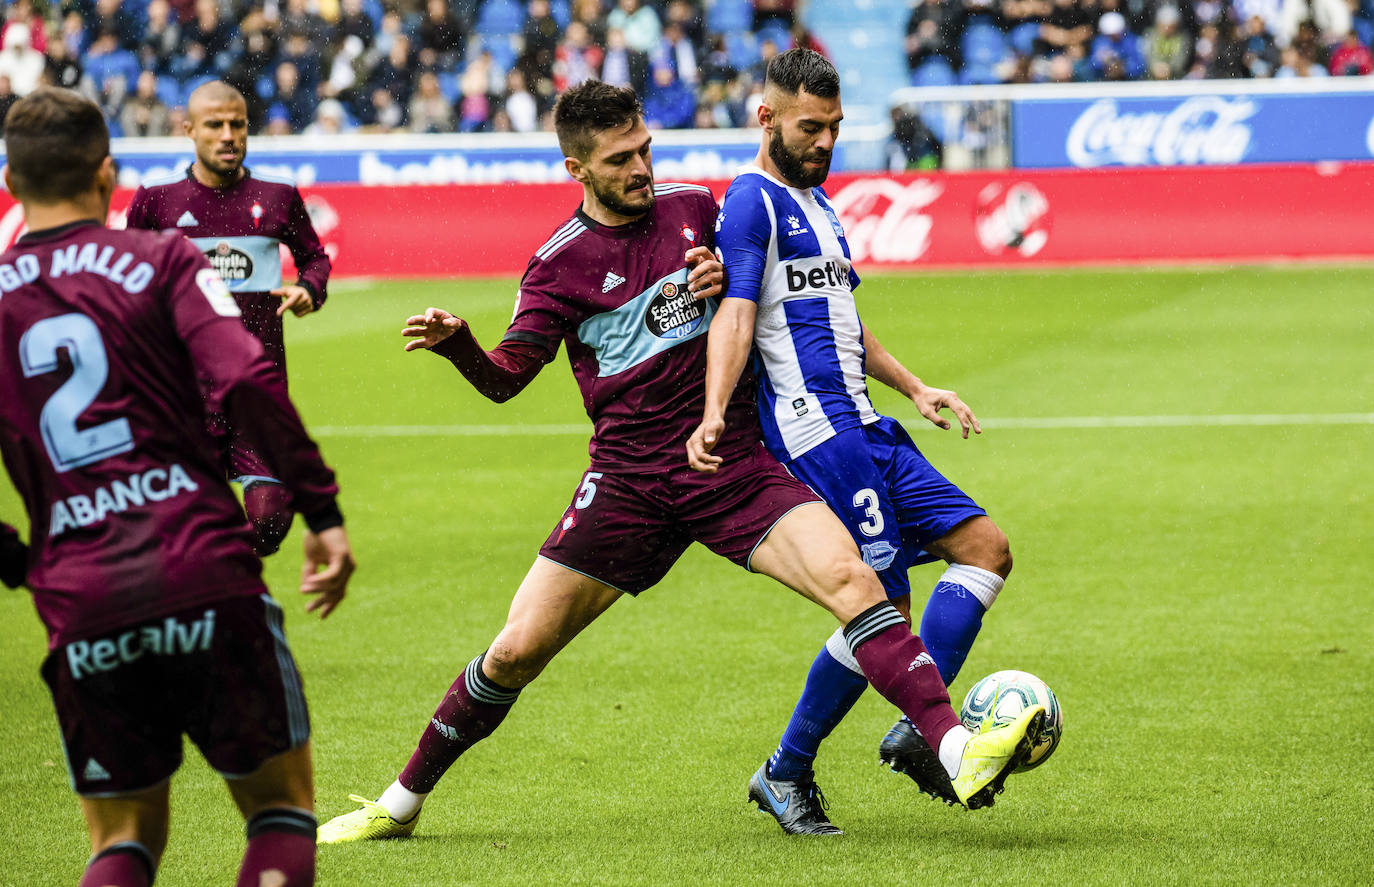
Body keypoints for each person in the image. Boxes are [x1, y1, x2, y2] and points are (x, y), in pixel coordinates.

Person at [316, 79, 1044, 844]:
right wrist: (462, 345)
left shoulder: (700, 207)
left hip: (732, 464)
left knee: (856, 581)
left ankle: (953, 747)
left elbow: (757, 293)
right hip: (629, 483)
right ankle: (398, 802)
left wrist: (726, 281)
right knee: (515, 649)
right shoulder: (559, 266)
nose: (641, 168)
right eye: (620, 159)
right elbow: (505, 381)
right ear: (578, 171)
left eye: (644, 149)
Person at [0, 86, 355, 887]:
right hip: (201, 570)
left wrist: (17, 559)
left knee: (121, 839)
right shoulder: (159, 258)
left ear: (12, 184)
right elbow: (249, 380)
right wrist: (324, 510)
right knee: (278, 812)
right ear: (107, 174)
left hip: (81, 590)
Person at [686, 48, 1025, 835]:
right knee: (880, 608)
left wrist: (915, 386)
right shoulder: (750, 205)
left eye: (835, 127)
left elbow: (842, 317)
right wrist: (712, 412)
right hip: (818, 434)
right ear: (765, 117)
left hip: (872, 423)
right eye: (812, 127)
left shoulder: (820, 203)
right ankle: (788, 769)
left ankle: (916, 725)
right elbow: (737, 313)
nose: (826, 142)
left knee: (986, 547)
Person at [126, 80, 332, 556]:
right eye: (214, 125)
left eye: (237, 124)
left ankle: (223, 568)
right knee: (182, 523)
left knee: (271, 518)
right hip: (181, 396)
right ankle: (215, 583)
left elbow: (315, 258)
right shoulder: (156, 203)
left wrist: (307, 289)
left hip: (256, 392)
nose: (227, 135)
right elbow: (126, 280)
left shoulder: (277, 197)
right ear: (189, 130)